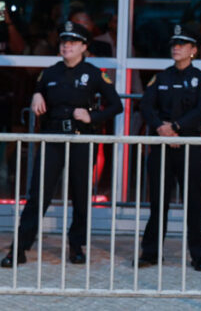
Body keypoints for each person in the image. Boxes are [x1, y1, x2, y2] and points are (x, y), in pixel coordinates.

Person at [1, 20, 123, 267]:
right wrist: (36, 93)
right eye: (64, 41)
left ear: (83, 47)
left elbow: (116, 105)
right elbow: (37, 89)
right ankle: (20, 247)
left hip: (81, 139)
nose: (66, 46)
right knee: (38, 195)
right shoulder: (51, 72)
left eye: (72, 42)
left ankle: (76, 246)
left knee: (80, 195)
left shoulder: (93, 74)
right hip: (53, 139)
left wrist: (92, 116)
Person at [138, 22, 201, 272]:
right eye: (174, 44)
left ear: (193, 50)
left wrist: (176, 127)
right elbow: (146, 106)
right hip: (162, 147)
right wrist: (161, 127)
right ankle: (150, 252)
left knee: (193, 201)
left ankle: (198, 255)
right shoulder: (161, 77)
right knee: (158, 201)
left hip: (189, 146)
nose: (176, 48)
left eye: (182, 45)